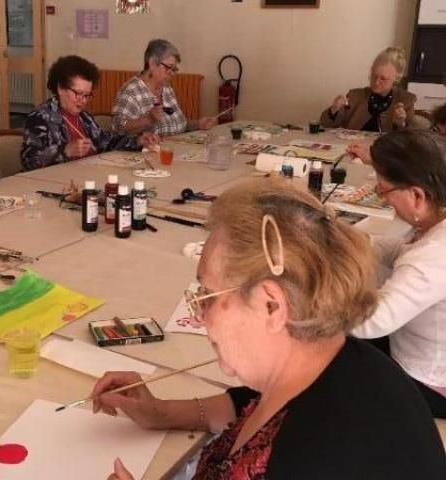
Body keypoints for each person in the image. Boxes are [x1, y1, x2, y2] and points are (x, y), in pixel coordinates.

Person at [91, 179, 446, 479]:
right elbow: (255, 406)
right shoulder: (335, 357)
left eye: (207, 294)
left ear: (271, 305)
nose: (198, 314)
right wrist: (163, 413)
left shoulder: (314, 457)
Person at [351, 130, 446, 419]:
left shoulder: (434, 255)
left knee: (326, 359)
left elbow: (372, 321)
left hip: (428, 382)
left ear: (416, 195)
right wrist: (349, 240)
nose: (382, 197)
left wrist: (306, 298)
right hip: (415, 350)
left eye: (383, 190)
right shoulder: (435, 223)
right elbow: (400, 252)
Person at [20, 55, 158, 172]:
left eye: (87, 95)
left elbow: (105, 142)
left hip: (89, 175)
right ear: (60, 88)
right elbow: (29, 160)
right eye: (78, 94)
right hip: (56, 183)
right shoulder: (40, 118)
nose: (83, 101)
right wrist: (65, 151)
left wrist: (138, 141)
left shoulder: (83, 118)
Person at [111, 39, 217, 136]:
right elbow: (118, 128)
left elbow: (179, 124)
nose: (172, 73)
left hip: (173, 149)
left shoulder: (167, 88)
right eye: (169, 68)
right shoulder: (131, 90)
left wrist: (199, 124)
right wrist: (149, 119)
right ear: (152, 63)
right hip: (145, 154)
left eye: (174, 69)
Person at [320, 47, 416, 132]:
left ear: (396, 79)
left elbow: (412, 140)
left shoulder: (406, 100)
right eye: (374, 76)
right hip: (352, 148)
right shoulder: (355, 96)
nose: (376, 82)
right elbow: (326, 124)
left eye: (383, 78)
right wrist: (334, 109)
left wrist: (402, 124)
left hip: (385, 151)